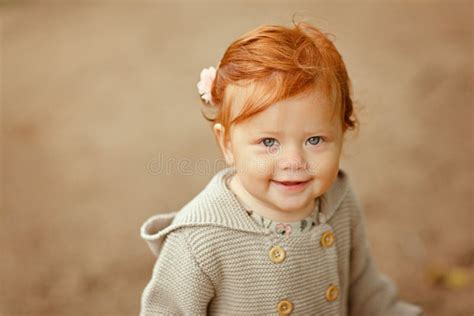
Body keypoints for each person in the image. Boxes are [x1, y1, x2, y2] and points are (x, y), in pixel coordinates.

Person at [139, 20, 424, 315]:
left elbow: (363, 290)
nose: (293, 162)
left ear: (342, 132)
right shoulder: (199, 241)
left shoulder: (338, 204)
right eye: (268, 142)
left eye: (314, 139)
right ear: (227, 145)